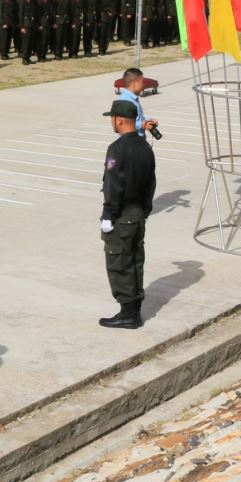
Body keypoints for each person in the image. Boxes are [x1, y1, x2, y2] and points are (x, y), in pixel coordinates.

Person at [99, 99, 156, 329]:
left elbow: (113, 186)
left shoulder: (117, 149)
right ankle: (134, 311)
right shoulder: (145, 147)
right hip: (138, 213)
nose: (112, 122)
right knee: (135, 261)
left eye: (112, 118)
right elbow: (151, 183)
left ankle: (128, 314)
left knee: (119, 262)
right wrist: (145, 210)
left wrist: (108, 216)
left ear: (119, 120)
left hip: (122, 215)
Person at [116, 67, 158, 137]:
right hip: (129, 141)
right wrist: (142, 124)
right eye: (141, 82)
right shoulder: (126, 100)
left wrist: (148, 120)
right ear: (134, 83)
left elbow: (136, 118)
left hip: (137, 140)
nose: (143, 85)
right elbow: (124, 123)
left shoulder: (133, 98)